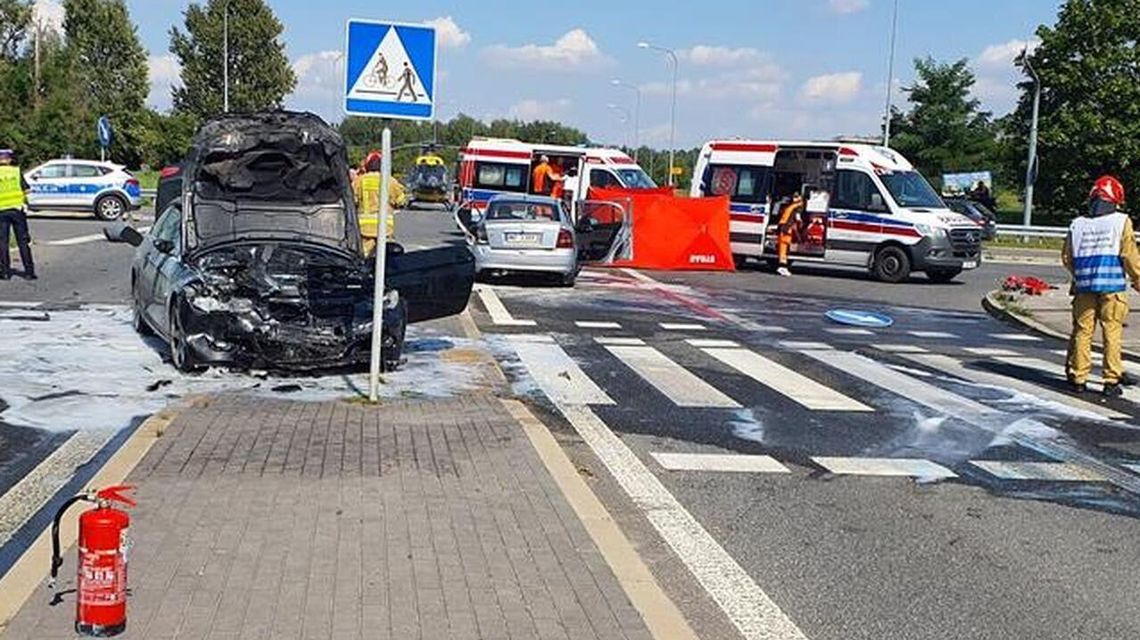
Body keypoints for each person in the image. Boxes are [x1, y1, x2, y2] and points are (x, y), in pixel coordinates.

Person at [1063, 175, 1140, 397]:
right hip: (1112, 287)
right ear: (1116, 199)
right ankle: (1111, 380)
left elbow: (1067, 257)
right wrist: (1138, 280)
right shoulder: (1121, 221)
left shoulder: (1077, 224)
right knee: (1111, 332)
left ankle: (1078, 377)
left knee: (1082, 331)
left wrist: (1080, 276)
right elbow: (1129, 255)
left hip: (1084, 287)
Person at [352, 151, 405, 256]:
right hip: (385, 227)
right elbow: (401, 201)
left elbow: (353, 200)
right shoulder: (391, 181)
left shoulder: (359, 181)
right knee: (388, 256)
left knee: (363, 256)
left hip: (365, 228)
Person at [0, 149, 35, 280]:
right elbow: (27, 189)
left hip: (1, 211)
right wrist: (25, 203)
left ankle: (4, 272)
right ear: (9, 160)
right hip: (17, 210)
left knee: (3, 243)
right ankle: (29, 271)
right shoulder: (16, 171)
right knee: (23, 241)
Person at [773, 191, 804, 277]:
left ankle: (783, 266)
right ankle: (782, 267)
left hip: (783, 228)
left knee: (784, 249)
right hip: (786, 230)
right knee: (784, 250)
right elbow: (798, 219)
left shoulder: (789, 206)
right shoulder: (797, 207)